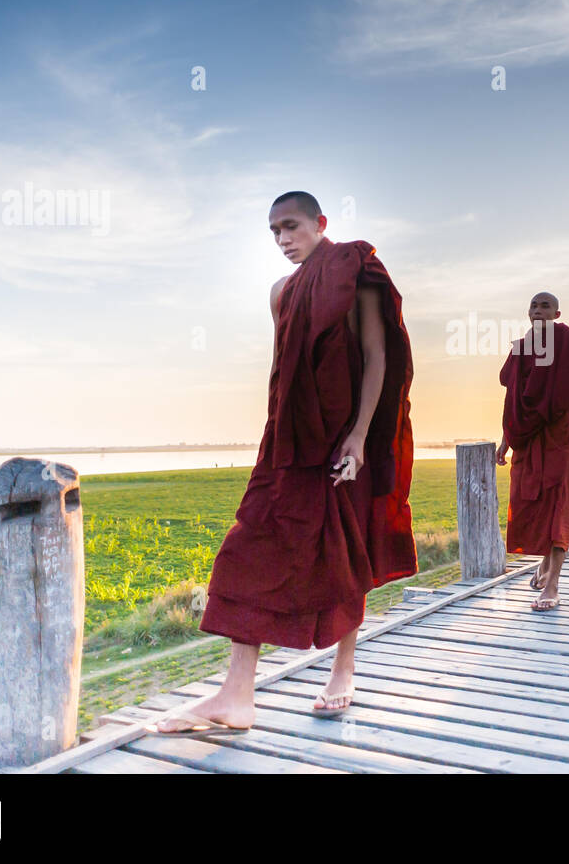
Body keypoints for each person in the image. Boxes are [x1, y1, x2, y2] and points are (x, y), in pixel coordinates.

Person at [150, 191, 415, 735]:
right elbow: (283, 374)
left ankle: (345, 668)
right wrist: (276, 439)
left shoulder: (354, 265)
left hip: (344, 442)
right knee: (250, 548)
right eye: (273, 231)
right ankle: (236, 695)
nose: (282, 239)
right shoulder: (281, 293)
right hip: (291, 445)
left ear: (320, 223)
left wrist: (361, 436)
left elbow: (377, 356)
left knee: (346, 551)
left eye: (291, 227)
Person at [496, 292, 569, 611]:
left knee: (559, 504)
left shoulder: (568, 341)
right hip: (528, 440)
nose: (538, 310)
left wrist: (567, 427)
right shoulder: (522, 348)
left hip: (559, 438)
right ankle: (544, 562)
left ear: (557, 313)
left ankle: (553, 584)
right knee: (533, 503)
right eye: (534, 305)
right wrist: (506, 439)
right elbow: (513, 399)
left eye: (545, 306)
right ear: (528, 312)